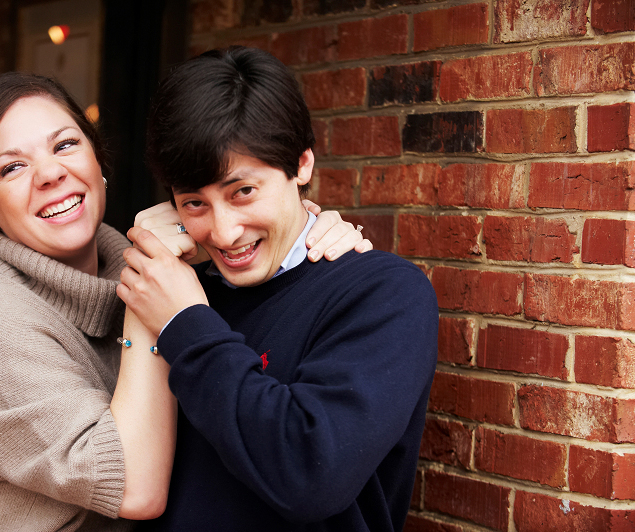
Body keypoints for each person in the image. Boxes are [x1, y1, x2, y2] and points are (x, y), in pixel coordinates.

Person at [0, 72, 370, 531]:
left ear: (98, 160)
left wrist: (306, 234)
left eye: (66, 145)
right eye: (12, 167)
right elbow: (135, 489)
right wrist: (148, 297)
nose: (51, 173)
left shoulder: (148, 273)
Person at [118, 47, 439, 531]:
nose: (224, 233)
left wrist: (186, 324)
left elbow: (311, 473)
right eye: (194, 203)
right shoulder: (175, 289)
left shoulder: (385, 294)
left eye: (242, 191)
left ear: (302, 164)